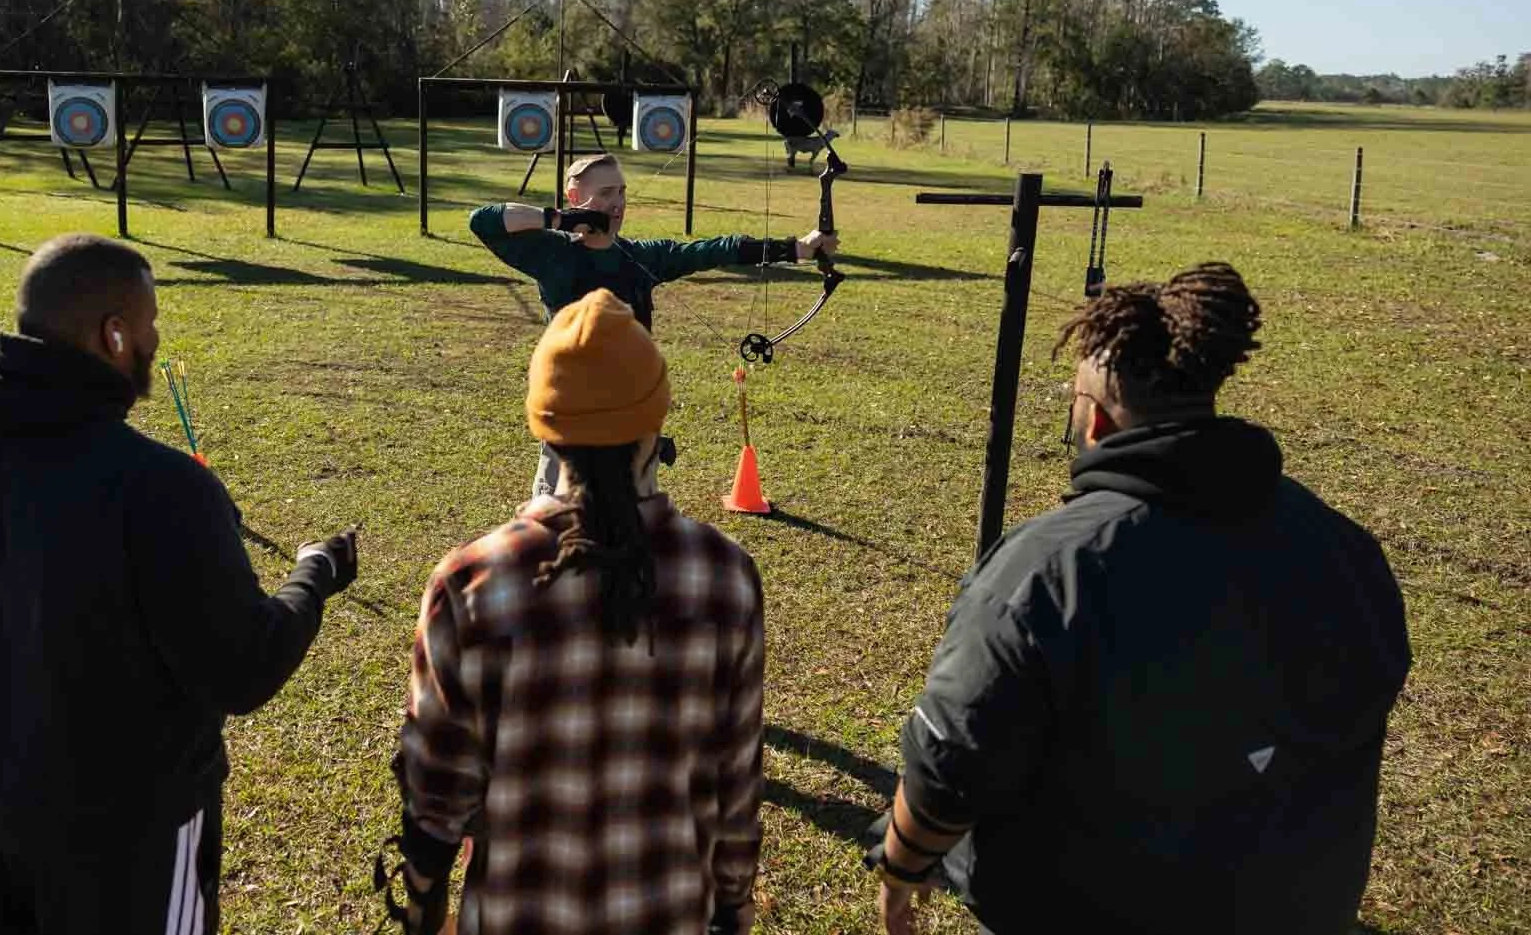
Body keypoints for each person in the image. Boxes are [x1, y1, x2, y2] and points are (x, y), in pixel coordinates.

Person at [866, 262, 1412, 935]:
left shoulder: (1042, 575)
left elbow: (948, 766)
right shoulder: (1343, 546)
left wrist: (901, 866)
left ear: (1092, 419)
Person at [0, 233, 358, 935]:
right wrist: (317, 571)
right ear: (114, 333)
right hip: (135, 850)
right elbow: (244, 668)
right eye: (150, 321)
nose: (156, 337)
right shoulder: (160, 487)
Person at [380, 289, 766, 935]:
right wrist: (733, 906)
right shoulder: (726, 578)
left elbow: (435, 797)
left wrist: (422, 906)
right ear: (654, 427)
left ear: (545, 429)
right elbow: (736, 786)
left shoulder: (471, 584)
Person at [470, 151, 838, 493]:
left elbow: (715, 249)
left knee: (632, 540)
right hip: (572, 427)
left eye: (622, 192)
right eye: (606, 193)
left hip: (632, 426)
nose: (617, 203)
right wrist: (561, 220)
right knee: (555, 540)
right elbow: (483, 221)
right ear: (574, 195)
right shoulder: (552, 254)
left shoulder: (642, 257)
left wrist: (796, 248)